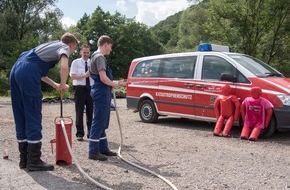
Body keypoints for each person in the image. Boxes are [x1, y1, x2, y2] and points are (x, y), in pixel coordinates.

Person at [9, 32, 79, 171]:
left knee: (21, 114)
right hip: (28, 71)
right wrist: (64, 83)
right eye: (74, 49)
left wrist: (56, 85)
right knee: (33, 113)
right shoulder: (63, 47)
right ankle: (34, 161)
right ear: (71, 45)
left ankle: (24, 160)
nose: (72, 51)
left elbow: (40, 73)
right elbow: (64, 67)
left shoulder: (47, 46)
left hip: (16, 69)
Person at [88, 35, 124, 161]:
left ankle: (103, 148)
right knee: (99, 121)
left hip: (100, 91)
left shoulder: (94, 56)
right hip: (101, 91)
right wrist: (115, 84)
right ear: (106, 44)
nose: (111, 50)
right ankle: (93, 151)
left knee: (102, 121)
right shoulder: (100, 58)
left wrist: (116, 83)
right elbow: (103, 78)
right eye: (110, 46)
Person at [70, 44, 93, 141]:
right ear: (80, 52)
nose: (86, 54)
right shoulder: (75, 62)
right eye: (84, 52)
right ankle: (79, 133)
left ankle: (91, 132)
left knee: (90, 112)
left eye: (88, 52)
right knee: (79, 111)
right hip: (79, 89)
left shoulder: (92, 62)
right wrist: (84, 75)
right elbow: (72, 76)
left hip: (91, 88)